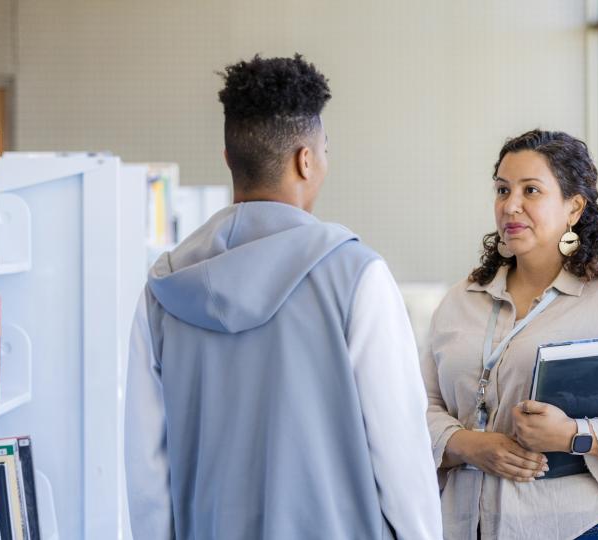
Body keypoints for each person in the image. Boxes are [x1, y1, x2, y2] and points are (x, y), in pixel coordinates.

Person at [124, 55, 441, 539]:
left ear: (229, 157)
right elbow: (402, 453)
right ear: (305, 160)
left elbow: (147, 470)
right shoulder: (357, 276)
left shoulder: (163, 290)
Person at [421, 129, 598, 539]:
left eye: (531, 191)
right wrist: (465, 444)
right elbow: (419, 407)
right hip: (461, 526)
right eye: (503, 190)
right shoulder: (461, 300)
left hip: (578, 527)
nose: (511, 206)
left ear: (574, 208)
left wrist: (574, 436)